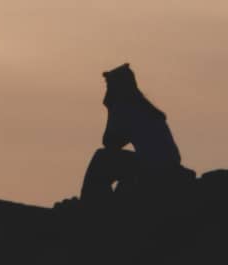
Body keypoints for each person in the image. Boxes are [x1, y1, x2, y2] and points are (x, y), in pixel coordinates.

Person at [80, 64, 192, 202]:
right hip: (165, 163)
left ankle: (92, 204)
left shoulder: (126, 107)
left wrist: (111, 108)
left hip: (154, 167)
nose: (107, 89)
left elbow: (109, 143)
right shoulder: (143, 108)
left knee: (101, 158)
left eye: (109, 85)